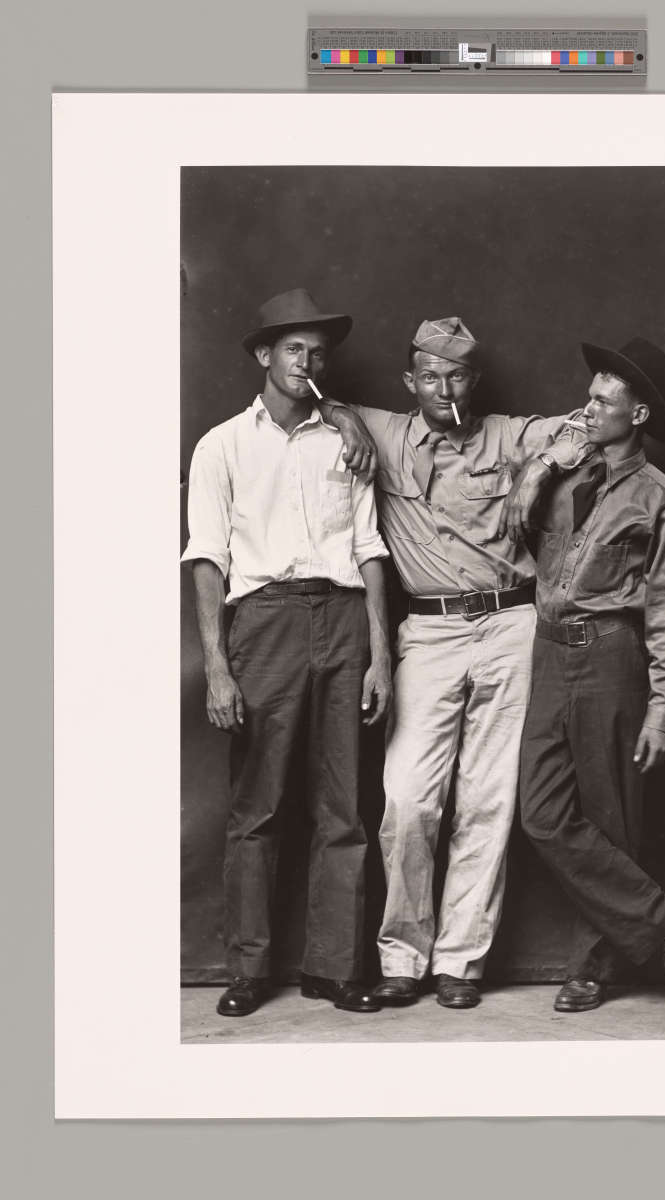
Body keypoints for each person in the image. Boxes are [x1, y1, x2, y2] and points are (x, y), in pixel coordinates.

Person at [317, 317, 587, 1008]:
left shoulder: (508, 434)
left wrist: (540, 469)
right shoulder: (384, 431)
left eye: (458, 376)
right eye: (431, 377)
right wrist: (342, 418)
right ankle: (403, 957)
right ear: (410, 382)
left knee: (487, 800)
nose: (445, 389)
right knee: (409, 799)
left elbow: (586, 425)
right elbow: (318, 400)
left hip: (509, 624)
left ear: (475, 380)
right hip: (429, 633)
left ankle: (461, 962)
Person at [181, 288, 392, 1017]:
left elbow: (368, 546)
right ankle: (249, 968)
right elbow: (207, 558)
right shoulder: (221, 445)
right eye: (294, 349)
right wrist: (217, 667)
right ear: (264, 355)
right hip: (263, 622)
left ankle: (335, 968)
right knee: (258, 804)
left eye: (318, 353)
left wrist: (381, 655)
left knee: (344, 806)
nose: (308, 362)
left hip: (344, 619)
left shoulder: (346, 442)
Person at [509, 336, 665, 1012]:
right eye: (589, 397)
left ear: (639, 415)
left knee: (609, 816)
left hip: (610, 656)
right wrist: (542, 466)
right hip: (548, 650)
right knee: (541, 813)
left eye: (603, 402)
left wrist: (663, 709)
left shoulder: (660, 498)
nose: (586, 410)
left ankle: (593, 968)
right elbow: (511, 530)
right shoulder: (563, 469)